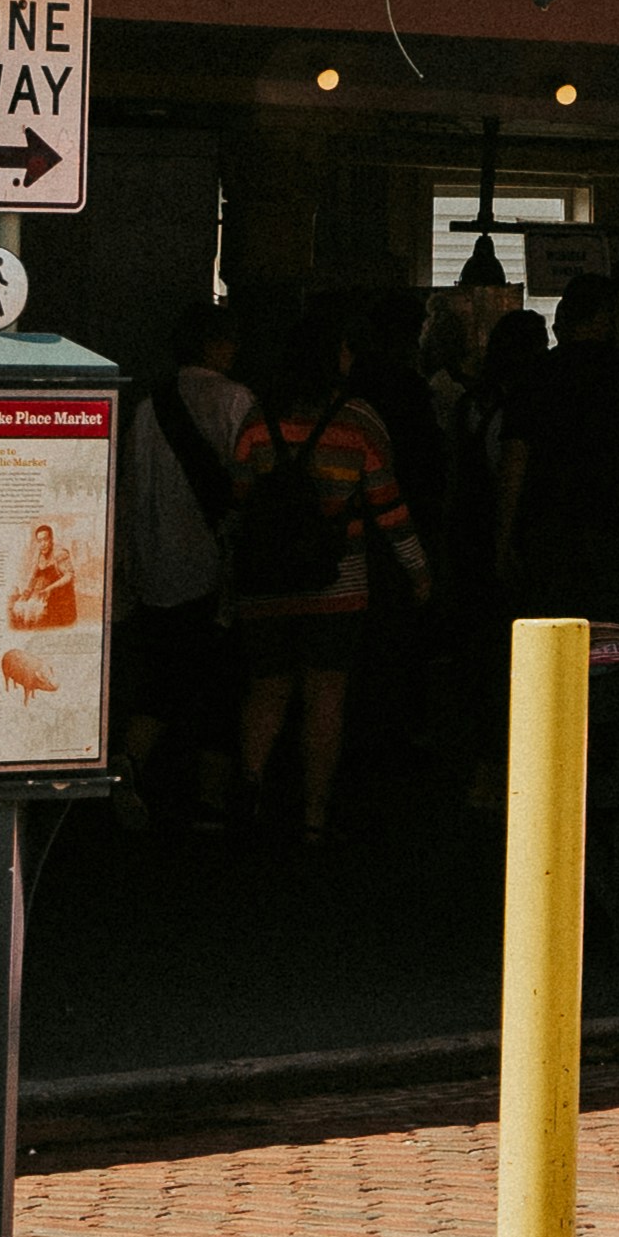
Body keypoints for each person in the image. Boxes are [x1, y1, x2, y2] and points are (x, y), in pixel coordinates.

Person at [232, 307, 433, 841]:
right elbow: (389, 509)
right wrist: (418, 570)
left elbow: (240, 502)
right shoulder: (357, 420)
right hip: (337, 584)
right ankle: (315, 816)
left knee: (266, 692)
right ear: (332, 356)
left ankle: (249, 797)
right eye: (344, 348)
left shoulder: (257, 418)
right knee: (326, 697)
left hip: (264, 583)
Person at [116, 302, 259, 831]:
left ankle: (128, 763)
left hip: (156, 564)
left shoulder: (148, 404)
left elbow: (130, 488)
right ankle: (211, 800)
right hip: (212, 564)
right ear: (217, 345)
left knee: (161, 675)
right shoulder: (235, 399)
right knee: (220, 684)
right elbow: (247, 483)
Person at [504, 274, 619, 626]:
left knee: (553, 637)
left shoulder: (536, 373)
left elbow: (515, 460)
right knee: (617, 635)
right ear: (606, 315)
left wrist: (503, 537)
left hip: (550, 529)